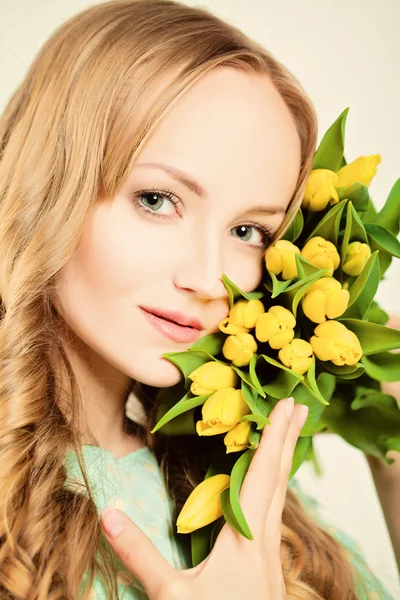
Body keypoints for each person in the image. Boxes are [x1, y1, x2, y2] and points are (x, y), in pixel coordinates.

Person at [0, 0, 397, 598]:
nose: (210, 279)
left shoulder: (249, 494)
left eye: (248, 232)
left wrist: (388, 437)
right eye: (158, 199)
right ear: (51, 182)